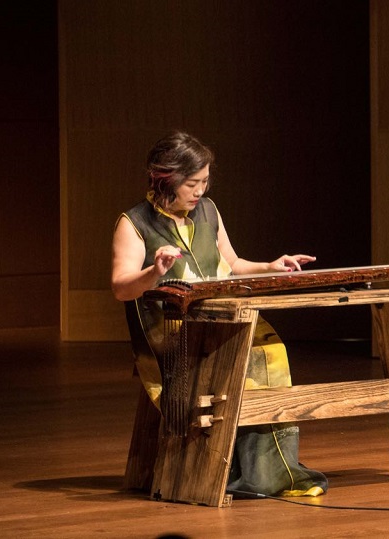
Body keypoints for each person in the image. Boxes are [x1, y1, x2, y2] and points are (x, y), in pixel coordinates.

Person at [111, 130, 329, 496]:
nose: (200, 191)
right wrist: (155, 272)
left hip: (223, 319)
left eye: (205, 181)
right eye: (192, 183)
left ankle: (269, 470)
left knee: (270, 351)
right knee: (245, 364)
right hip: (175, 333)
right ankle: (246, 470)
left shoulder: (208, 211)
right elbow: (121, 288)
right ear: (166, 179)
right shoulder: (134, 223)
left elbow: (232, 264)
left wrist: (271, 266)